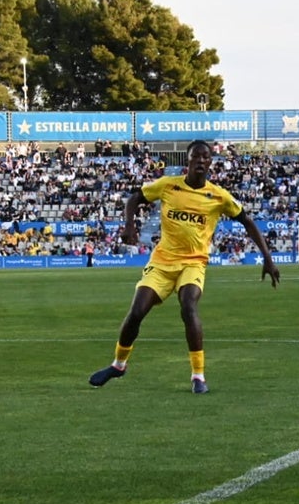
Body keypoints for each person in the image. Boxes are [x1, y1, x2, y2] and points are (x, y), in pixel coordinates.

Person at [88, 140, 280, 393]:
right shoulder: (168, 185)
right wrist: (129, 226)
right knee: (136, 312)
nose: (200, 160)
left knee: (189, 306)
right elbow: (134, 198)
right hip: (162, 262)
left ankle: (198, 375)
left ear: (210, 162)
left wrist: (267, 258)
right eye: (195, 156)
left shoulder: (218, 196)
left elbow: (248, 222)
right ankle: (118, 365)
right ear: (187, 160)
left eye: (205, 157)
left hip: (193, 263)